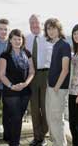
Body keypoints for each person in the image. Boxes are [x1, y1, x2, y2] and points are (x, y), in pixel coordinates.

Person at [0, 29, 35, 146]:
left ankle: (11, 139)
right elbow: (1, 74)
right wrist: (11, 86)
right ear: (10, 40)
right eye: (15, 39)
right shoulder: (5, 55)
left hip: (25, 91)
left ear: (22, 40)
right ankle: (15, 143)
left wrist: (25, 84)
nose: (17, 41)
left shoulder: (27, 53)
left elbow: (32, 72)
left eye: (19, 39)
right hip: (11, 92)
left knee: (17, 118)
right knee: (16, 118)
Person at [26, 14, 52, 146]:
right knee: (34, 108)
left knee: (46, 107)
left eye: (36, 23)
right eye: (31, 23)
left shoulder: (49, 38)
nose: (34, 25)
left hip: (46, 75)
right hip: (31, 76)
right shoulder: (26, 39)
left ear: (41, 24)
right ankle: (37, 137)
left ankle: (43, 135)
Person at [44, 18, 71, 146]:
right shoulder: (55, 45)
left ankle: (61, 144)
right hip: (51, 87)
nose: (51, 31)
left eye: (53, 28)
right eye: (48, 28)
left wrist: (56, 87)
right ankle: (56, 143)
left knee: (56, 119)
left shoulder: (64, 45)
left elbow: (65, 70)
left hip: (58, 89)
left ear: (59, 29)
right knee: (51, 117)